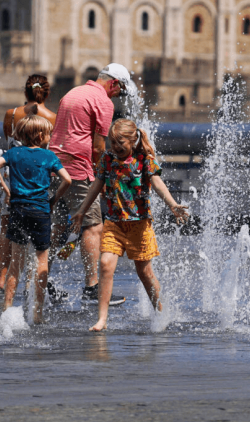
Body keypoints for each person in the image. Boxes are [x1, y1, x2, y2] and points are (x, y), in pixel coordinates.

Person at [71, 119, 189, 332]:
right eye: (112, 142)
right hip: (114, 225)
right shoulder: (107, 160)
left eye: (120, 142)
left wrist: (172, 205)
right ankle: (102, 319)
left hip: (139, 227)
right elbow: (96, 186)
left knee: (145, 273)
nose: (115, 147)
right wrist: (81, 211)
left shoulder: (144, 160)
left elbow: (157, 183)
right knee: (106, 264)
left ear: (133, 140)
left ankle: (161, 313)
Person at [50, 63, 135, 308]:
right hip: (78, 169)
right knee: (93, 226)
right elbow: (99, 147)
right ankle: (91, 287)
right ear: (114, 83)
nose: (119, 96)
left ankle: (41, 278)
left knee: (58, 227)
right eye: (120, 91)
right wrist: (103, 178)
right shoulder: (104, 103)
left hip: (55, 166)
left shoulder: (72, 93)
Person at [0, 115, 72, 324]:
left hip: (18, 211)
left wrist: (7, 191)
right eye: (49, 135)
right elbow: (67, 180)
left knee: (16, 263)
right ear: (42, 136)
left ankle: (7, 310)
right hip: (41, 211)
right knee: (41, 263)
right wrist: (54, 199)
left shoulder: (14, 153)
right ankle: (37, 314)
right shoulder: (48, 156)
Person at [0, 74, 58, 295]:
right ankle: (33, 281)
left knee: (7, 229)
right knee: (40, 233)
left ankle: (2, 279)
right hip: (39, 182)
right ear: (47, 93)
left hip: (13, 179)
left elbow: (9, 145)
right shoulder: (53, 118)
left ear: (25, 92)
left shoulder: (11, 115)